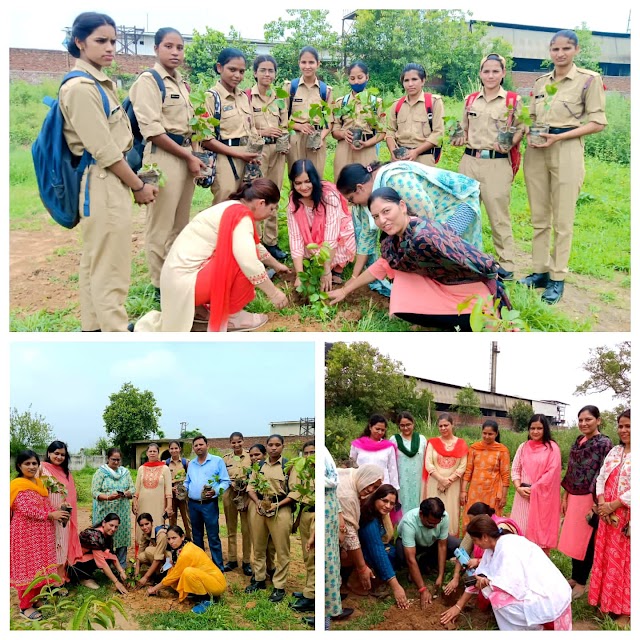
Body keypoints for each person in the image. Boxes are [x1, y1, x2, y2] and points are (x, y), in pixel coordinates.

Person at [59, 12, 157, 332]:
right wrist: (138, 185)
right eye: (101, 41)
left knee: (95, 263)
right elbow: (104, 151)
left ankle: (94, 329)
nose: (110, 47)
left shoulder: (99, 82)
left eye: (113, 41)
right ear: (79, 42)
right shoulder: (80, 88)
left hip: (107, 179)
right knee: (110, 268)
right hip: (102, 180)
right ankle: (115, 334)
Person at [329, 188, 509, 331]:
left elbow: (467, 255)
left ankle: (476, 319)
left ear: (402, 206)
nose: (382, 220)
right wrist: (345, 291)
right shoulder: (396, 239)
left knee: (404, 303)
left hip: (472, 293)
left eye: (386, 211)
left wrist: (494, 279)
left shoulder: (423, 236)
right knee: (401, 299)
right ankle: (445, 319)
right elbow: (382, 265)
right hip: (445, 285)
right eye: (376, 217)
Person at [132, 179, 290, 332]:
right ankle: (232, 317)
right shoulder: (241, 216)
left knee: (242, 251)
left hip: (175, 283)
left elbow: (255, 246)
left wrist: (276, 265)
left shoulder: (231, 207)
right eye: (272, 208)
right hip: (187, 285)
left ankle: (199, 310)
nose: (272, 214)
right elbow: (248, 261)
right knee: (242, 257)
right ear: (261, 203)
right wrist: (274, 294)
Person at [520, 29, 607, 304]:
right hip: (536, 150)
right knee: (539, 217)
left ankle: (557, 278)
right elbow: (530, 116)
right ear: (550, 51)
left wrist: (559, 137)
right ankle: (539, 272)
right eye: (555, 49)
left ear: (576, 51)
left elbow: (598, 123)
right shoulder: (540, 82)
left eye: (566, 49)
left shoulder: (588, 80)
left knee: (563, 219)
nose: (560, 54)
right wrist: (520, 129)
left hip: (566, 147)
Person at [128, 28, 204, 299]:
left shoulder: (182, 84)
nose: (175, 52)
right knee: (160, 223)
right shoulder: (149, 81)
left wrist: (195, 154)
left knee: (180, 222)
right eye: (169, 46)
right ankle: (159, 283)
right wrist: (188, 156)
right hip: (163, 158)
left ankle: (175, 273)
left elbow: (193, 125)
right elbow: (153, 131)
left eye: (180, 47)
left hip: (186, 156)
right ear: (156, 49)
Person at [455, 53, 525, 281]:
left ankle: (506, 265)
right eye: (486, 71)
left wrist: (510, 143)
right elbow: (463, 128)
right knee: (463, 213)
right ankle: (461, 259)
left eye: (496, 71)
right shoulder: (470, 99)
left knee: (498, 216)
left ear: (503, 73)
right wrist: (458, 136)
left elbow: (521, 128)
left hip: (496, 164)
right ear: (480, 73)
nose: (491, 75)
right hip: (469, 161)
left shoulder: (513, 101)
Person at [441, 515, 572, 630]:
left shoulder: (507, 549)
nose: (475, 544)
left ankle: (534, 628)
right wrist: (458, 607)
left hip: (549, 596)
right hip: (541, 587)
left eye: (475, 540)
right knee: (492, 592)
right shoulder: (493, 547)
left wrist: (488, 583)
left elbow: (514, 584)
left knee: (498, 600)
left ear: (485, 537)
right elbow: (478, 577)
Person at [337, 160, 482, 250]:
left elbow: (427, 216)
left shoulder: (395, 180)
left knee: (447, 249)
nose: (353, 204)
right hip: (438, 213)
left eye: (351, 199)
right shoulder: (377, 185)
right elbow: (367, 235)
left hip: (459, 204)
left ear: (360, 188)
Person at [557, 405, 612, 599]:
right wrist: (565, 495)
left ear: (598, 420)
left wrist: (597, 503)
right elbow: (571, 470)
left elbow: (604, 474)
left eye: (588, 419)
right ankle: (574, 576)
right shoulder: (578, 441)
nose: (583, 423)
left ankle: (581, 582)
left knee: (586, 540)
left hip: (591, 497)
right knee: (573, 538)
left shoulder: (604, 443)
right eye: (580, 420)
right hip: (574, 496)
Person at [10, 450, 70, 621]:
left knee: (40, 567)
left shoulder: (38, 483)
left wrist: (57, 511)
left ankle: (34, 599)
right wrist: (51, 515)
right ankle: (24, 607)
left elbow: (46, 505)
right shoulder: (16, 484)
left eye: (34, 463)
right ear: (19, 466)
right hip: (26, 534)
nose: (31, 466)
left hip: (42, 534)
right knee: (28, 568)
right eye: (27, 463)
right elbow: (26, 509)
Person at [201, 48, 261, 204]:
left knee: (247, 205)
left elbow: (251, 128)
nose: (237, 75)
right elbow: (206, 139)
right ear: (220, 67)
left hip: (247, 159)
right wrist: (239, 154)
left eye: (241, 71)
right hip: (225, 160)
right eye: (232, 69)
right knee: (225, 205)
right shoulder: (211, 97)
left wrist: (253, 153)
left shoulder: (243, 97)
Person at [588, 409, 630, 626]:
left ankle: (625, 610)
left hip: (627, 517)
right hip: (608, 517)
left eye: (628, 426)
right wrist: (603, 503)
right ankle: (606, 602)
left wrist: (615, 504)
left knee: (627, 563)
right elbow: (601, 477)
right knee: (606, 558)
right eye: (621, 426)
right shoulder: (614, 451)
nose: (623, 430)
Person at [287, 159, 356, 288]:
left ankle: (337, 268)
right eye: (298, 183)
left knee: (350, 233)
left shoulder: (329, 196)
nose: (303, 187)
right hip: (312, 241)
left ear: (314, 179)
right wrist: (299, 274)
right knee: (308, 250)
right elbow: (295, 237)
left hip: (335, 239)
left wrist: (326, 270)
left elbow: (331, 234)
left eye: (308, 181)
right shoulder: (294, 201)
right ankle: (322, 262)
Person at [248, 54, 289, 260]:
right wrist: (262, 132)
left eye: (271, 70)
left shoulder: (280, 98)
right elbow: (244, 127)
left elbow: (284, 124)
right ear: (255, 73)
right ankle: (253, 243)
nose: (267, 74)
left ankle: (270, 242)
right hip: (257, 153)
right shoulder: (247, 96)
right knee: (256, 196)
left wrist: (282, 135)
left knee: (274, 194)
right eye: (262, 70)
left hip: (277, 153)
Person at [245, 434, 295, 602]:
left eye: (277, 445)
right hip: (260, 508)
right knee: (258, 546)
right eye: (271, 445)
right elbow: (250, 487)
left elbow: (294, 492)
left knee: (282, 550)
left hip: (280, 508)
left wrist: (277, 505)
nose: (274, 448)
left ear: (282, 446)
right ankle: (259, 579)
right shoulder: (258, 466)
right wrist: (257, 501)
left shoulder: (288, 466)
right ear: (266, 446)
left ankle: (279, 586)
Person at [444, 502, 521, 598]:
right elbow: (462, 551)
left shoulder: (501, 532)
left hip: (504, 572)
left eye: (473, 521)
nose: (471, 524)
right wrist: (455, 577)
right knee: (469, 580)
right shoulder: (475, 528)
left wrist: (478, 562)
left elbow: (505, 565)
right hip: (484, 565)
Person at [395, 497, 460, 610]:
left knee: (454, 544)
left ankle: (425, 562)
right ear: (421, 514)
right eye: (430, 523)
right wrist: (422, 589)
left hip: (432, 542)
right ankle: (413, 570)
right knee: (402, 556)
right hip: (413, 545)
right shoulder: (409, 522)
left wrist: (441, 575)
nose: (434, 526)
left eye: (437, 523)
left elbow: (442, 545)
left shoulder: (444, 516)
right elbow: (410, 558)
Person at [510, 414, 562, 552]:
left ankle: (539, 570)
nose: (535, 431)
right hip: (522, 497)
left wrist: (534, 489)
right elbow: (515, 469)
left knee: (540, 538)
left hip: (542, 500)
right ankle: (520, 569)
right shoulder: (523, 447)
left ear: (545, 429)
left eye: (539, 428)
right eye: (532, 428)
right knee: (520, 533)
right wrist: (518, 488)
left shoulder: (552, 448)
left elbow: (551, 474)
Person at [147, 525, 226, 614]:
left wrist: (154, 589)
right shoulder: (184, 547)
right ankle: (197, 593)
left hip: (217, 584)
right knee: (174, 570)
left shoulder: (186, 553)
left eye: (174, 538)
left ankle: (206, 600)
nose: (171, 542)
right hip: (209, 580)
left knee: (188, 572)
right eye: (169, 539)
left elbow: (173, 577)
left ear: (182, 537)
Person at [336, 465, 384, 598]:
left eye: (375, 488)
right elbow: (350, 536)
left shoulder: (352, 474)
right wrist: (362, 568)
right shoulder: (347, 496)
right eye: (370, 484)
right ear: (364, 477)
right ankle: (334, 597)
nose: (370, 490)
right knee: (347, 555)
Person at [358, 484, 409, 609]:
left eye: (392, 503)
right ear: (376, 498)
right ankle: (365, 581)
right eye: (384, 501)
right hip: (363, 553)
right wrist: (396, 586)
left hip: (375, 548)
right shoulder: (369, 520)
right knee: (384, 556)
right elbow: (377, 551)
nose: (388, 506)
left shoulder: (379, 514)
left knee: (395, 553)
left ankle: (381, 577)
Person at [184, 435, 230, 571]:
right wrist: (182, 489)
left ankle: (217, 567)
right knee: (196, 535)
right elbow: (188, 482)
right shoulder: (191, 464)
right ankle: (201, 565)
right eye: (196, 445)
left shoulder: (217, 461)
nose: (198, 447)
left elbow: (225, 481)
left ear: (207, 445)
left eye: (201, 444)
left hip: (209, 504)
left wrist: (215, 491)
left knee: (213, 535)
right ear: (193, 448)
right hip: (193, 504)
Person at [285, 46, 334, 177]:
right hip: (296, 139)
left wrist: (321, 138)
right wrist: (299, 126)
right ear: (299, 63)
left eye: (311, 62)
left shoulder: (325, 91)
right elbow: (282, 119)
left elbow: (329, 122)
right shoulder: (290, 88)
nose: (307, 66)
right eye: (304, 62)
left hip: (316, 138)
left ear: (318, 64)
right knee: (296, 177)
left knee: (315, 177)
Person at [332, 61, 384, 179]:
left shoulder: (376, 103)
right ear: (348, 79)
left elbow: (382, 132)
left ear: (367, 77)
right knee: (343, 184)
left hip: (367, 149)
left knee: (367, 185)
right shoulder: (341, 102)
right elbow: (334, 130)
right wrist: (343, 134)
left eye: (360, 77)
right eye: (352, 78)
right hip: (345, 148)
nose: (356, 81)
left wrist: (367, 143)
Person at [40, 441, 83, 582]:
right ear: (49, 453)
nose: (59, 457)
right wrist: (50, 512)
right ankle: (47, 582)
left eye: (62, 454)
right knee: (49, 548)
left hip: (64, 517)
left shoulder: (66, 473)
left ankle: (60, 580)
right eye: (56, 453)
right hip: (48, 517)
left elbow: (71, 495)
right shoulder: (42, 469)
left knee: (62, 547)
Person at [386, 63, 444, 167]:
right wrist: (392, 151)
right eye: (406, 80)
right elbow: (390, 131)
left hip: (424, 158)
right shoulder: (397, 105)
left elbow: (438, 133)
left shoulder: (433, 102)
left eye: (414, 79)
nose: (410, 84)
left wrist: (416, 151)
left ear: (423, 81)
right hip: (400, 159)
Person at [422, 413, 468, 535]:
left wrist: (448, 481)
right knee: (433, 509)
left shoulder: (461, 444)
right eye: (440, 426)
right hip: (435, 483)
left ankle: (450, 538)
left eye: (446, 425)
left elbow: (463, 466)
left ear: (452, 425)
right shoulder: (432, 443)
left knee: (451, 511)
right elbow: (428, 464)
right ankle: (431, 537)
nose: (443, 428)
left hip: (453, 485)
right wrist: (441, 480)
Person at [460, 420, 511, 531]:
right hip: (474, 492)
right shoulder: (474, 448)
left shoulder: (502, 450)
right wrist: (463, 491)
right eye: (484, 433)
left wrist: (503, 496)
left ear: (496, 434)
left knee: (488, 521)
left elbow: (505, 475)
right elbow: (468, 471)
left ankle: (486, 547)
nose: (487, 436)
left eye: (490, 434)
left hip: (491, 492)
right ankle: (469, 546)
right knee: (471, 519)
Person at [324, 446, 354, 629]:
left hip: (331, 519)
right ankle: (325, 616)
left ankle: (330, 609)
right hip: (324, 522)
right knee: (325, 568)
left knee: (331, 565)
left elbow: (332, 493)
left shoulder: (328, 464)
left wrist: (340, 517)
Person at [91, 447, 135, 567]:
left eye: (118, 460)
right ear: (108, 459)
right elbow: (94, 492)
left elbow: (132, 488)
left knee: (122, 534)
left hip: (122, 511)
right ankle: (106, 564)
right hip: (105, 511)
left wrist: (127, 493)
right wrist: (108, 497)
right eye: (113, 459)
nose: (116, 462)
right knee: (106, 535)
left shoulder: (125, 472)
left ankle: (121, 564)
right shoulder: (101, 473)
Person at [68, 513, 128, 594]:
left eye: (116, 527)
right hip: (73, 566)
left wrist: (121, 571)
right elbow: (101, 563)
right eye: (111, 525)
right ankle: (82, 578)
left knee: (108, 556)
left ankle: (86, 575)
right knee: (104, 559)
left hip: (83, 559)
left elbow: (111, 554)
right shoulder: (95, 536)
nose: (113, 529)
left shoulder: (106, 536)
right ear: (103, 523)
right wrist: (116, 582)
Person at [289, 440, 316, 614]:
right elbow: (302, 499)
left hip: (316, 514)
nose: (308, 456)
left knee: (314, 555)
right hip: (305, 513)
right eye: (305, 453)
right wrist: (298, 520)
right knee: (307, 555)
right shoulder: (304, 472)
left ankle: (312, 596)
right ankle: (309, 589)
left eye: (312, 452)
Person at [222, 432, 253, 576]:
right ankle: (232, 559)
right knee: (231, 528)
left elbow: (256, 473)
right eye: (233, 443)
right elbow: (222, 476)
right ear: (230, 443)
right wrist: (231, 482)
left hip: (246, 495)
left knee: (246, 529)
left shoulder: (250, 456)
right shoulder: (226, 459)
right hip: (230, 494)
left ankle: (246, 561)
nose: (236, 445)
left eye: (239, 442)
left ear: (243, 441)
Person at [133, 443, 173, 545]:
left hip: (159, 505)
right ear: (146, 453)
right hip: (143, 504)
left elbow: (168, 490)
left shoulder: (165, 468)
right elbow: (137, 488)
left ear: (158, 453)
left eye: (154, 451)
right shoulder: (141, 468)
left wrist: (169, 506)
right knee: (142, 525)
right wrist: (134, 502)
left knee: (158, 525)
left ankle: (157, 552)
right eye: (150, 451)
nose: (152, 453)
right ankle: (141, 553)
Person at [248, 444, 276, 582]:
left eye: (257, 455)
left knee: (271, 542)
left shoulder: (276, 467)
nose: (254, 458)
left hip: (273, 506)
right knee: (258, 539)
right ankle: (259, 573)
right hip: (256, 505)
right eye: (251, 455)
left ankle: (271, 567)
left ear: (264, 455)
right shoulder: (253, 470)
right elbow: (250, 488)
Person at [390, 411, 427, 514]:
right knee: (402, 505)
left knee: (418, 505)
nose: (405, 428)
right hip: (402, 480)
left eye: (408, 425)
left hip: (418, 480)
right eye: (402, 425)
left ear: (413, 424)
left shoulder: (422, 439)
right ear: (398, 426)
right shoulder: (394, 440)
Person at [349, 414, 399, 489]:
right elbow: (351, 466)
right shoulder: (358, 445)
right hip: (361, 485)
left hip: (382, 486)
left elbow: (392, 470)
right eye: (377, 429)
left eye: (382, 430)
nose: (380, 432)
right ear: (370, 427)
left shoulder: (388, 447)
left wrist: (394, 489)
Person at [166, 440, 192, 540]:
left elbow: (191, 478)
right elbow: (164, 480)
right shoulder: (166, 464)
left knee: (187, 519)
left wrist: (184, 489)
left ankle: (190, 540)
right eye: (172, 448)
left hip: (183, 494)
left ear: (179, 449)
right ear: (169, 450)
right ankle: (173, 540)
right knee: (172, 519)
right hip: (171, 495)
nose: (174, 450)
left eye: (176, 448)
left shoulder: (186, 463)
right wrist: (170, 488)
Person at [135, 513, 169, 586]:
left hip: (172, 559)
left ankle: (160, 575)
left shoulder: (161, 534)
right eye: (142, 525)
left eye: (147, 524)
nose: (144, 527)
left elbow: (158, 558)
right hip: (163, 556)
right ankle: (157, 571)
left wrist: (145, 577)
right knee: (141, 556)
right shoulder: (146, 533)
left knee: (149, 551)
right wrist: (136, 572)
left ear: (152, 523)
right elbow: (140, 552)